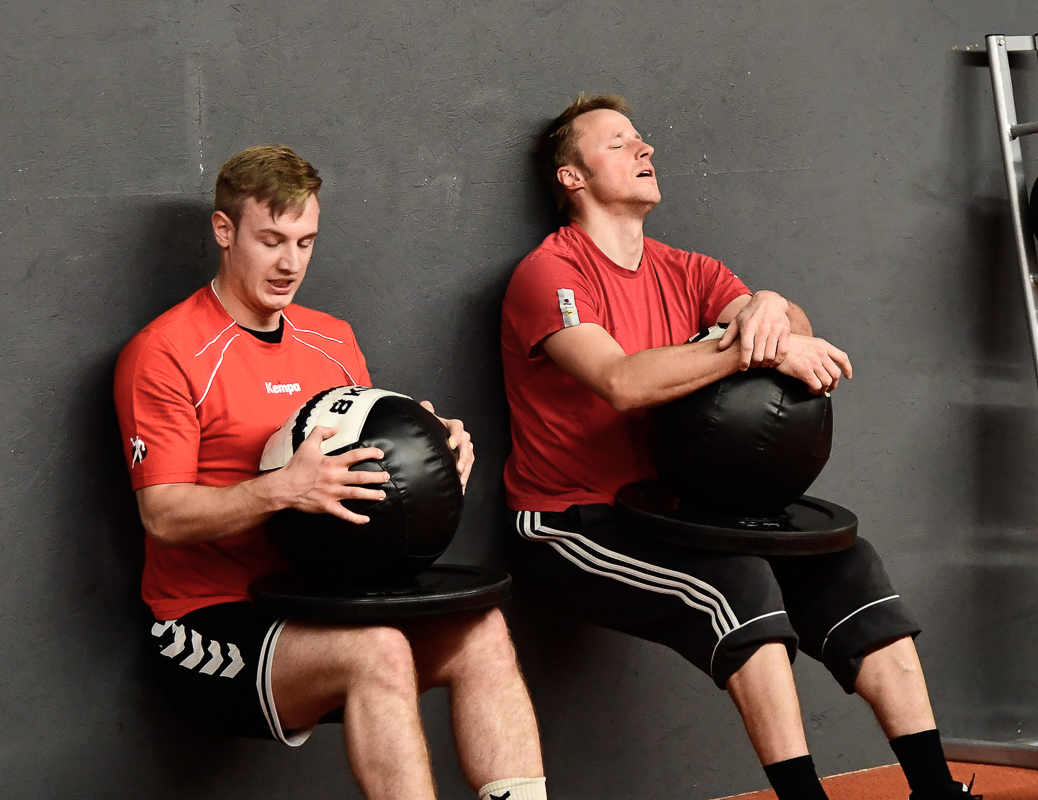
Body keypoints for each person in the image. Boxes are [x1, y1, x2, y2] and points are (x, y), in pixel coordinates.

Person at [500, 96, 977, 800]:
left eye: (643, 141)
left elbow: (792, 325)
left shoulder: (686, 270)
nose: (644, 151)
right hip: (571, 522)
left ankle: (935, 791)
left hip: (678, 510)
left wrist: (769, 305)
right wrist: (746, 348)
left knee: (848, 563)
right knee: (740, 585)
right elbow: (622, 382)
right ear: (572, 178)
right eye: (618, 144)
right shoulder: (551, 274)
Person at [115, 145, 547, 800]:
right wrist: (283, 489)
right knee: (378, 652)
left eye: (305, 242)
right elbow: (163, 514)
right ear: (224, 231)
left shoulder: (332, 339)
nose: (291, 263)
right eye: (271, 241)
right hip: (206, 625)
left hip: (328, 600)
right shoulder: (167, 352)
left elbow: (365, 492)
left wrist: (427, 468)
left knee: (481, 633)